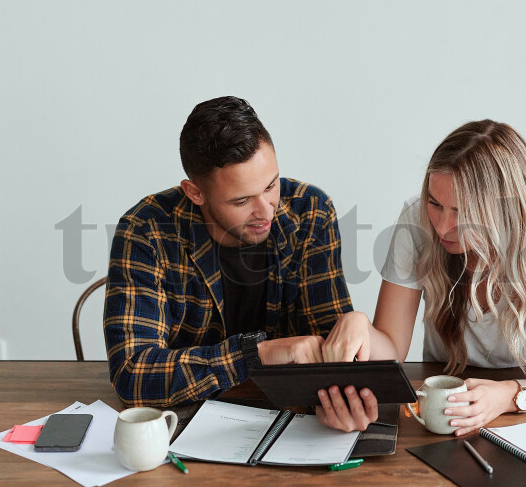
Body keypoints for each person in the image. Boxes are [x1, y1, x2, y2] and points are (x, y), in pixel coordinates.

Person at [323, 119, 526, 434]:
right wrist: (358, 324)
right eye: (435, 203)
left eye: (463, 212)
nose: (441, 227)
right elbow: (392, 354)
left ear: (506, 210)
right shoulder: (416, 224)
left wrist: (510, 395)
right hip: (450, 409)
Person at [103, 96, 377, 431]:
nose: (266, 210)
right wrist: (255, 354)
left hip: (293, 425)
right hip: (186, 429)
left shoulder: (311, 213)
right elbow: (132, 374)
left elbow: (330, 340)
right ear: (195, 193)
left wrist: (343, 396)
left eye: (271, 185)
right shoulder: (145, 230)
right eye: (242, 200)